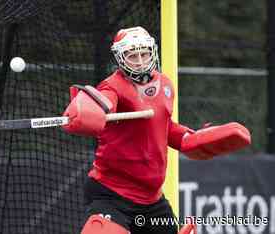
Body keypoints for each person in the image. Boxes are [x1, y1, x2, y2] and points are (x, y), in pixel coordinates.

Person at [61, 26, 251, 234]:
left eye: (144, 53)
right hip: (112, 195)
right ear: (120, 58)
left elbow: (164, 127)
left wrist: (190, 139)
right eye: (132, 55)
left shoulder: (166, 85)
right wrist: (89, 109)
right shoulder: (112, 87)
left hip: (152, 201)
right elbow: (104, 103)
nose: (140, 60)